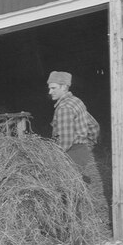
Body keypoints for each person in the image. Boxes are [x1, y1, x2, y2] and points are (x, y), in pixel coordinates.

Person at [47, 70, 108, 220]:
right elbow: (94, 126)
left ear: (64, 87)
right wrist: (89, 145)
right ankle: (79, 230)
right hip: (81, 153)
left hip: (70, 154)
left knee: (68, 196)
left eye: (53, 88)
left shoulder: (64, 108)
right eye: (49, 88)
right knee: (77, 192)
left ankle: (75, 236)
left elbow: (65, 142)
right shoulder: (77, 102)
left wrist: (51, 160)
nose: (50, 92)